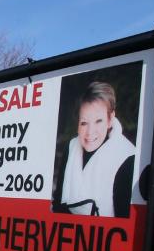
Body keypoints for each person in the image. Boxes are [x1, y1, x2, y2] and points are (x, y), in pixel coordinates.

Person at [53, 81, 136, 218]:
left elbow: (124, 222)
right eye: (84, 123)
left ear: (110, 119)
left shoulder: (127, 157)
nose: (90, 132)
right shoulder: (72, 146)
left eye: (99, 121)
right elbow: (57, 202)